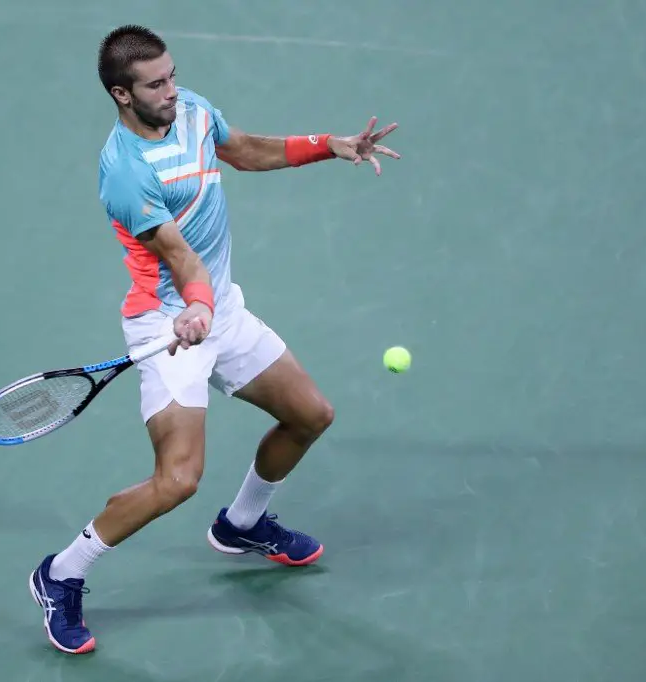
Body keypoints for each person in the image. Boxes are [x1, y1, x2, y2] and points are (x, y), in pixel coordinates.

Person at [29, 24, 400, 655]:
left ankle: (242, 524)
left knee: (310, 415)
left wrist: (330, 146)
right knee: (177, 480)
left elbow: (245, 150)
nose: (171, 90)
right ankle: (60, 573)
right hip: (166, 327)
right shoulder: (125, 172)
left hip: (217, 311)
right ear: (122, 94)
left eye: (172, 75)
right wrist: (196, 308)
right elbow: (180, 257)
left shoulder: (193, 110)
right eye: (155, 84)